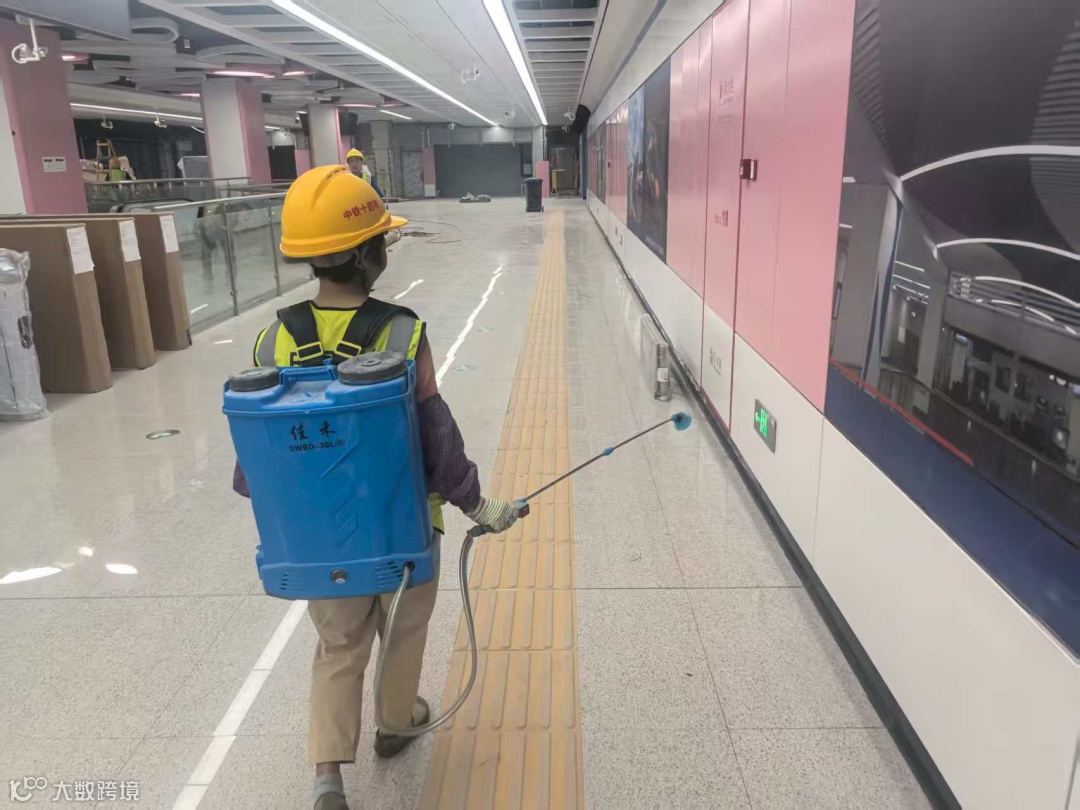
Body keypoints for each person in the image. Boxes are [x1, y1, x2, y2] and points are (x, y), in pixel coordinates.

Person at [232, 165, 518, 810]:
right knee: (403, 632)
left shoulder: (272, 338)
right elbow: (436, 434)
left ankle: (328, 776)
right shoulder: (402, 332)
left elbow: (257, 458)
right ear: (365, 255)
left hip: (318, 538)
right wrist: (478, 503)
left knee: (338, 644)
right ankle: (396, 723)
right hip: (403, 526)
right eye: (381, 240)